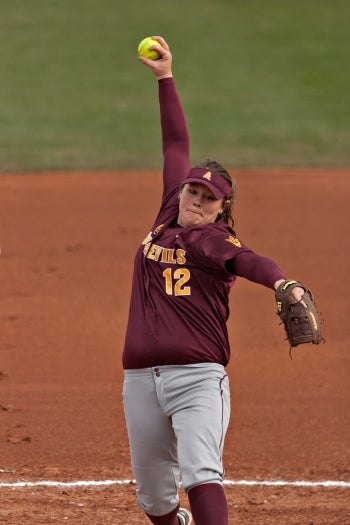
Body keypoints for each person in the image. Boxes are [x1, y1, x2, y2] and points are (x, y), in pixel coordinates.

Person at [122, 36, 304, 525]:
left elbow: (251, 263)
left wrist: (283, 284)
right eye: (192, 190)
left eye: (208, 198)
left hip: (197, 380)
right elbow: (176, 144)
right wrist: (165, 78)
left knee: (201, 471)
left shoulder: (214, 242)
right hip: (140, 381)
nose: (196, 201)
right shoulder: (168, 215)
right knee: (155, 499)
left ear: (224, 208)